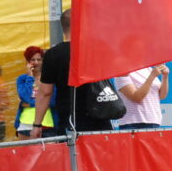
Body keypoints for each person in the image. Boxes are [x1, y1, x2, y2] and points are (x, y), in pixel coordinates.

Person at [32, 9, 114, 137]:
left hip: (70, 121)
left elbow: (45, 92)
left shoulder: (53, 54)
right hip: (100, 116)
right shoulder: (96, 49)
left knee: (72, 151)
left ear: (63, 27)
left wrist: (37, 125)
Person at [15, 46, 54, 139]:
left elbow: (52, 101)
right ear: (28, 62)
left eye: (39, 59)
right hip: (26, 123)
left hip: (47, 123)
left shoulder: (49, 78)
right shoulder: (22, 79)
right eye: (33, 60)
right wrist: (30, 76)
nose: (36, 62)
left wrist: (30, 104)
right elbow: (25, 97)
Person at [115, 65, 170, 130]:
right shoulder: (122, 72)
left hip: (154, 122)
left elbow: (161, 95)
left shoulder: (148, 69)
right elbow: (137, 97)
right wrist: (152, 76)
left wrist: (165, 76)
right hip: (133, 124)